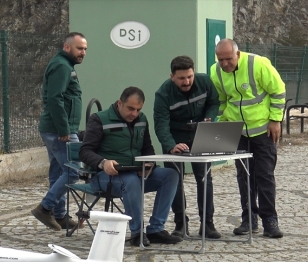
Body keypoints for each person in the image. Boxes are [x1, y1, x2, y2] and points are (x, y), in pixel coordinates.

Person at [79, 86, 182, 246]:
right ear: (120, 103)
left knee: (171, 175)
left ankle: (155, 229)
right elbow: (85, 151)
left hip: (136, 173)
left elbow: (148, 148)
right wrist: (103, 162)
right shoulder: (99, 119)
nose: (134, 114)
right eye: (130, 108)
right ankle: (137, 233)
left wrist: (149, 165)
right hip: (106, 177)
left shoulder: (142, 119)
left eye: (138, 109)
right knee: (131, 181)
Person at [210, 39, 286, 238]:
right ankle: (249, 219)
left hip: (264, 131)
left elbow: (278, 91)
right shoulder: (215, 72)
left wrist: (275, 120)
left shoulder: (258, 64)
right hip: (239, 133)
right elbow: (221, 101)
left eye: (228, 59)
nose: (225, 64)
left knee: (264, 175)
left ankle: (270, 221)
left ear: (238, 54)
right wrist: (221, 124)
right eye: (221, 60)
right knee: (244, 176)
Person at [153, 55, 221, 239]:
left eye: (190, 76)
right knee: (175, 180)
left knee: (205, 178)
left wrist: (209, 117)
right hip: (175, 136)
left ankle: (207, 224)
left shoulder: (205, 82)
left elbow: (214, 102)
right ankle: (180, 223)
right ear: (172, 76)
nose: (187, 81)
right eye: (182, 78)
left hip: (201, 132)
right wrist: (170, 145)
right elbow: (160, 124)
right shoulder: (163, 94)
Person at [31, 32, 88, 231]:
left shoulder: (65, 65)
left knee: (58, 173)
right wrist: (64, 128)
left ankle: (60, 215)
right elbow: (55, 98)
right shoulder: (62, 66)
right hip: (59, 130)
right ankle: (45, 208)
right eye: (79, 48)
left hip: (56, 129)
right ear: (67, 47)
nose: (83, 52)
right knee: (73, 172)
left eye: (85, 49)